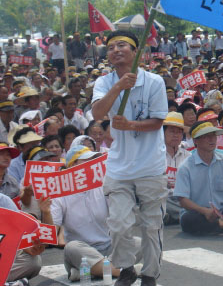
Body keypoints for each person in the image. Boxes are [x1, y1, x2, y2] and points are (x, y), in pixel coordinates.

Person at [92, 31, 169, 286]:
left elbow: (158, 122)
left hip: (150, 166)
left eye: (122, 45)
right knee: (119, 224)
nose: (115, 49)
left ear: (135, 52)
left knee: (151, 227)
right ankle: (126, 269)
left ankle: (149, 275)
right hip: (119, 168)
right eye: (111, 46)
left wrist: (131, 125)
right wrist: (118, 87)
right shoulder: (104, 82)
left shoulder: (154, 81)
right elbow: (98, 112)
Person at [48, 145, 142, 281]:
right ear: (72, 165)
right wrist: (45, 210)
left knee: (138, 243)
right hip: (82, 251)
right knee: (72, 247)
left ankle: (91, 272)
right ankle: (123, 271)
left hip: (109, 247)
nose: (91, 164)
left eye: (93, 160)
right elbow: (52, 231)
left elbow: (120, 214)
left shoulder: (102, 185)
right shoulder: (59, 194)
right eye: (86, 161)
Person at [174, 121, 223, 235]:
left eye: (213, 136)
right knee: (188, 220)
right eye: (206, 136)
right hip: (198, 212)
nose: (211, 139)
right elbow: (183, 200)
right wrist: (205, 211)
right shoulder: (185, 167)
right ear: (196, 141)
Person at [163, 112, 190, 224]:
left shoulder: (189, 156)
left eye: (179, 132)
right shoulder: (154, 156)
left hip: (183, 198)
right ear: (163, 133)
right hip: (163, 196)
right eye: (172, 132)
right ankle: (182, 215)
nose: (176, 135)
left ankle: (172, 216)